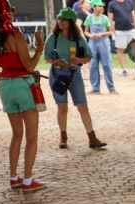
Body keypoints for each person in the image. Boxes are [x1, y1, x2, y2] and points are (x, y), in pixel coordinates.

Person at [0, 0, 45, 192]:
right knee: (32, 137)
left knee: (16, 135)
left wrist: (9, 70)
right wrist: (40, 47)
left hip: (6, 88)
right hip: (23, 85)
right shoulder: (15, 35)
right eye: (11, 10)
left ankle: (14, 177)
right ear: (6, 13)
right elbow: (29, 66)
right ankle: (28, 180)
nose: (13, 12)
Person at [45, 8, 106, 150]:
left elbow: (88, 57)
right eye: (59, 19)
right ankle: (63, 137)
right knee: (62, 107)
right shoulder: (52, 38)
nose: (60, 22)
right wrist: (55, 62)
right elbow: (46, 57)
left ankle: (92, 138)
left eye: (64, 19)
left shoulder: (79, 39)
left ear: (71, 22)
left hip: (75, 75)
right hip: (57, 75)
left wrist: (78, 59)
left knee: (82, 106)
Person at [84, 0, 116, 94]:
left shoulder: (105, 18)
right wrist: (90, 36)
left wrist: (101, 34)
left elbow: (110, 32)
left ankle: (111, 88)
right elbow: (86, 31)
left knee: (106, 65)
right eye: (99, 6)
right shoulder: (89, 18)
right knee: (93, 65)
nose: (101, 8)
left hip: (104, 43)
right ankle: (95, 88)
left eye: (102, 6)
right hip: (92, 44)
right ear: (93, 7)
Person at [107, 0, 135, 76]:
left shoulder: (129, 2)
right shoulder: (112, 4)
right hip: (119, 30)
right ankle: (124, 69)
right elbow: (110, 17)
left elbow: (133, 15)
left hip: (131, 29)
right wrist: (112, 28)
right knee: (120, 50)